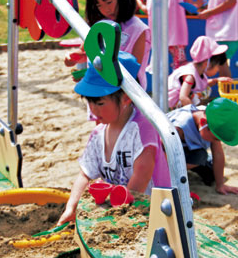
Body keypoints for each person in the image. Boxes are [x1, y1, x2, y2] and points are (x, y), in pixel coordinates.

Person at [59, 54, 169, 224]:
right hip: (118, 210)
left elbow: (142, 176)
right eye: (90, 102)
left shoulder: (142, 129)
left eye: (100, 103)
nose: (93, 109)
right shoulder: (98, 134)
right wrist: (71, 209)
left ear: (126, 97)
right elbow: (85, 175)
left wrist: (114, 218)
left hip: (152, 213)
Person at [82, 0, 151, 88]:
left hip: (125, 99)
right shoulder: (98, 26)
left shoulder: (138, 30)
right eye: (98, 5)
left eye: (109, 2)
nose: (105, 10)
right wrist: (76, 59)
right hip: (98, 96)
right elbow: (88, 54)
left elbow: (133, 71)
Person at [167, 98, 238, 195]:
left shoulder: (210, 119)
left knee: (212, 175)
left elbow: (218, 153)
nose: (217, 142)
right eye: (216, 139)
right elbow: (160, 154)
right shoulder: (178, 128)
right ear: (203, 123)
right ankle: (174, 177)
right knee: (200, 156)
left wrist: (220, 185)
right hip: (166, 153)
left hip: (190, 149)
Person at [167, 36, 231, 109]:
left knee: (205, 89)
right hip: (170, 107)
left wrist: (216, 80)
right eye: (217, 66)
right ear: (206, 63)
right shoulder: (190, 76)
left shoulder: (198, 72)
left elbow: (201, 84)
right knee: (196, 95)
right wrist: (196, 113)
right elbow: (183, 97)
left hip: (179, 103)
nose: (218, 70)